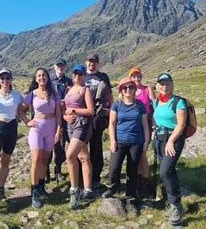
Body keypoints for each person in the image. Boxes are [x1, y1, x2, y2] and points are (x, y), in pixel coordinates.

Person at [103, 77, 150, 213]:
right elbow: (111, 124)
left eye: (130, 87)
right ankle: (113, 187)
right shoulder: (117, 105)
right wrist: (112, 140)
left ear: (135, 89)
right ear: (121, 91)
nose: (128, 90)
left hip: (136, 141)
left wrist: (146, 142)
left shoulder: (140, 105)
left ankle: (131, 197)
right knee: (114, 168)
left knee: (132, 170)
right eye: (125, 88)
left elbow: (145, 124)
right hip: (120, 141)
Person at [18, 68, 62, 209]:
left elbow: (59, 113)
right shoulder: (32, 94)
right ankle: (34, 190)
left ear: (47, 78)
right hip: (36, 129)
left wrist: (58, 130)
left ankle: (42, 185)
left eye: (44, 75)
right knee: (36, 159)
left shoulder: (54, 93)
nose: (42, 78)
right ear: (36, 79)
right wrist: (27, 122)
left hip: (51, 128)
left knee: (45, 160)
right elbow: (21, 109)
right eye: (39, 76)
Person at [0, 69, 24, 212]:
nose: (5, 81)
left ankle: (1, 189)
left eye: (7, 78)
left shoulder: (17, 96)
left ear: (11, 80)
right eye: (2, 78)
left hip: (11, 128)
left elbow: (26, 106)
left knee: (6, 161)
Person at [152, 73, 187, 226]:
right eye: (161, 83)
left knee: (165, 171)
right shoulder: (156, 102)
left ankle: (176, 206)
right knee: (169, 171)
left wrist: (171, 141)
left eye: (167, 83)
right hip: (160, 139)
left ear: (172, 85)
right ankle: (171, 202)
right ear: (157, 86)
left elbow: (181, 125)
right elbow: (155, 119)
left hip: (173, 139)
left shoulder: (178, 102)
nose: (164, 86)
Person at [63, 64, 95, 209]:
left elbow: (90, 111)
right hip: (71, 126)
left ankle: (74, 190)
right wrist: (65, 117)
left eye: (80, 74)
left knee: (70, 156)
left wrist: (74, 110)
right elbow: (65, 110)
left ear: (84, 75)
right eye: (75, 73)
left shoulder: (85, 90)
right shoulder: (69, 90)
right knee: (83, 157)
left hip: (82, 125)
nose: (77, 76)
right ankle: (88, 190)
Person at [84, 53, 113, 189]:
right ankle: (82, 177)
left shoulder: (103, 77)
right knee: (82, 147)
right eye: (90, 61)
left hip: (98, 117)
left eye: (94, 61)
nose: (92, 63)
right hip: (83, 117)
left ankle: (95, 177)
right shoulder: (81, 75)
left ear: (98, 63)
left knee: (96, 147)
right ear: (86, 62)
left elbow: (109, 95)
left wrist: (110, 111)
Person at [128, 66, 155, 199]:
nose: (136, 78)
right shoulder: (129, 91)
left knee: (142, 154)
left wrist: (155, 122)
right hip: (133, 126)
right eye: (133, 76)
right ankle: (138, 181)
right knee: (136, 155)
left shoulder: (147, 89)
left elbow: (154, 105)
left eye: (138, 76)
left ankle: (144, 183)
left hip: (145, 125)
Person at [49, 57, 73, 183]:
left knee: (61, 143)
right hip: (51, 116)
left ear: (65, 67)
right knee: (51, 143)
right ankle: (48, 171)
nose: (60, 67)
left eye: (62, 65)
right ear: (54, 66)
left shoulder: (69, 81)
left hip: (64, 116)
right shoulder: (49, 81)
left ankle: (58, 169)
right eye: (58, 65)